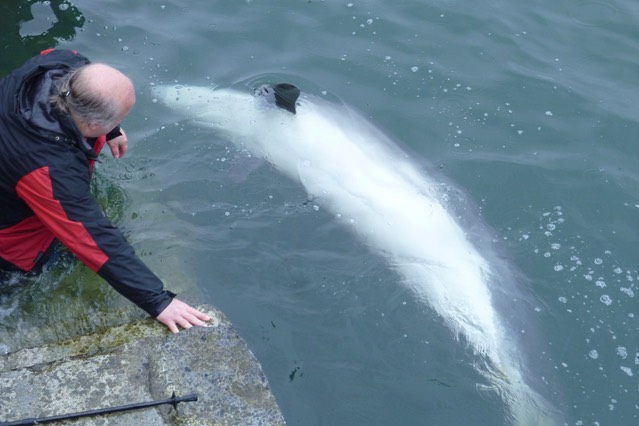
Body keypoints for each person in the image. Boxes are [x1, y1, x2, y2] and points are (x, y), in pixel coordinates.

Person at [0, 48, 210, 333]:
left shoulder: (58, 63)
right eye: (118, 119)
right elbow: (90, 235)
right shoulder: (50, 170)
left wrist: (111, 130)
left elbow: (77, 63)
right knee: (20, 282)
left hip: (12, 165)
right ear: (91, 124)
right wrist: (158, 301)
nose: (121, 125)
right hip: (12, 237)